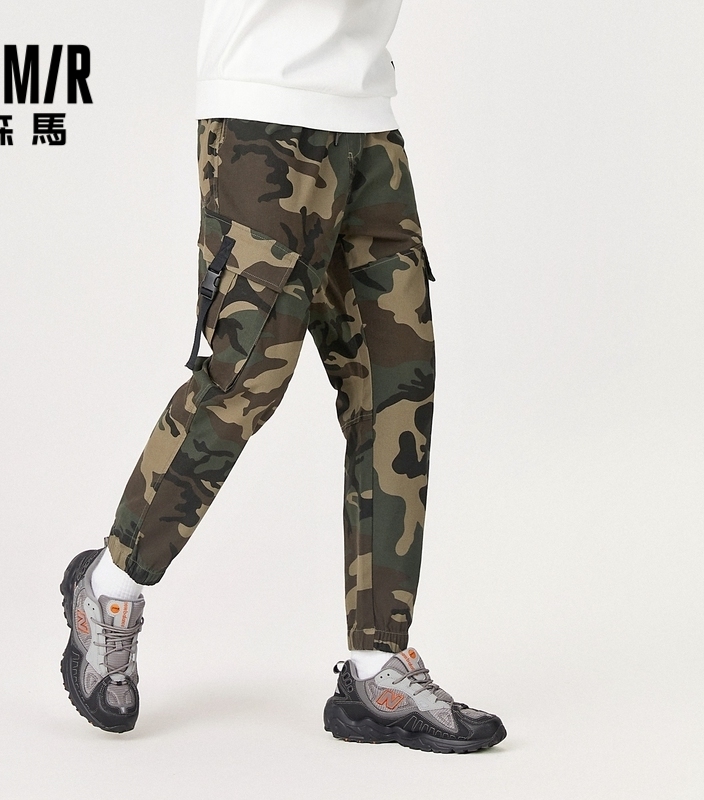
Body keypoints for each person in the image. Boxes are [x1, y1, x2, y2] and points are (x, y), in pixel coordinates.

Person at [60, 0, 506, 753]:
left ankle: (378, 667)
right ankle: (108, 586)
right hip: (262, 115)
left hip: (367, 120)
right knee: (243, 382)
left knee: (394, 386)